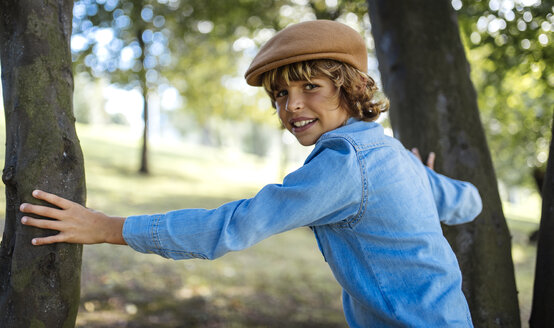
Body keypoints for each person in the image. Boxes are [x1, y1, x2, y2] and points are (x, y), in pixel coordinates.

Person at [20, 20, 482, 327]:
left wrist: (109, 228)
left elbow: (233, 225)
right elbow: (467, 201)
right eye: (280, 94)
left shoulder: (343, 167)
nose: (292, 105)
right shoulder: (391, 154)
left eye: (310, 87)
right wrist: (420, 176)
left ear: (352, 87)